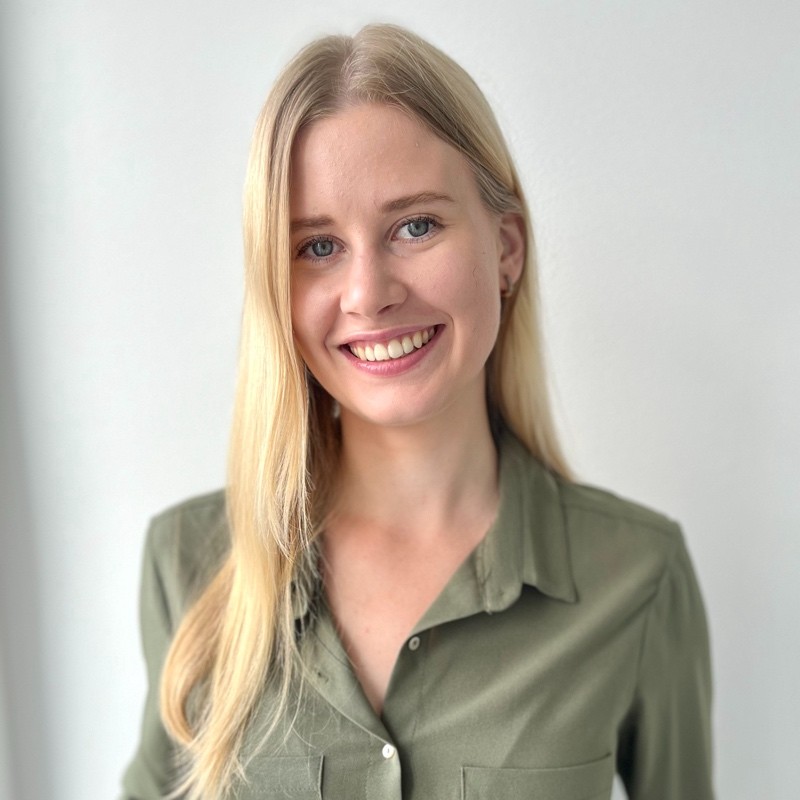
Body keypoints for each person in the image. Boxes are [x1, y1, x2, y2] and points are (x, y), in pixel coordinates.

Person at [121, 23, 714, 800]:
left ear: (506, 248)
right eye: (318, 247)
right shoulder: (190, 567)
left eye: (415, 226)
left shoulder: (637, 576)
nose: (369, 294)